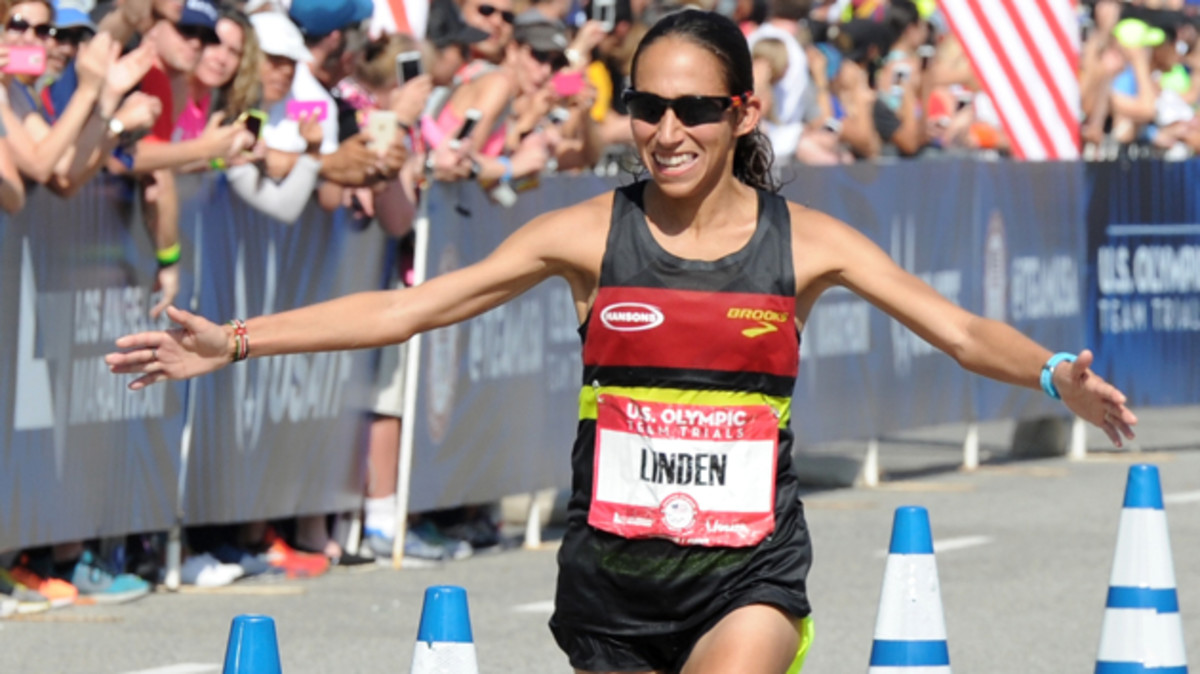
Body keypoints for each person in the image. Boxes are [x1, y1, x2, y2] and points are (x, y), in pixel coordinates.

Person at [107, 10, 1138, 673]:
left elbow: (957, 329)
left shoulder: (806, 244)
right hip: (612, 583)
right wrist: (234, 341)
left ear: (742, 112)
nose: (668, 129)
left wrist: (1055, 373)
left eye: (696, 107)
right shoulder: (586, 235)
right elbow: (409, 309)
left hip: (748, 575)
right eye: (648, 106)